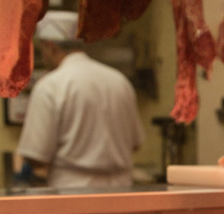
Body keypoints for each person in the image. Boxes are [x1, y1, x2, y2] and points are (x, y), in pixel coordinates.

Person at [13, 10, 142, 189]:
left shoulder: (50, 86)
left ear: (50, 47)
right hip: (121, 189)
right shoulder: (119, 81)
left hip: (73, 190)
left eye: (42, 49)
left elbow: (36, 155)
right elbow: (135, 144)